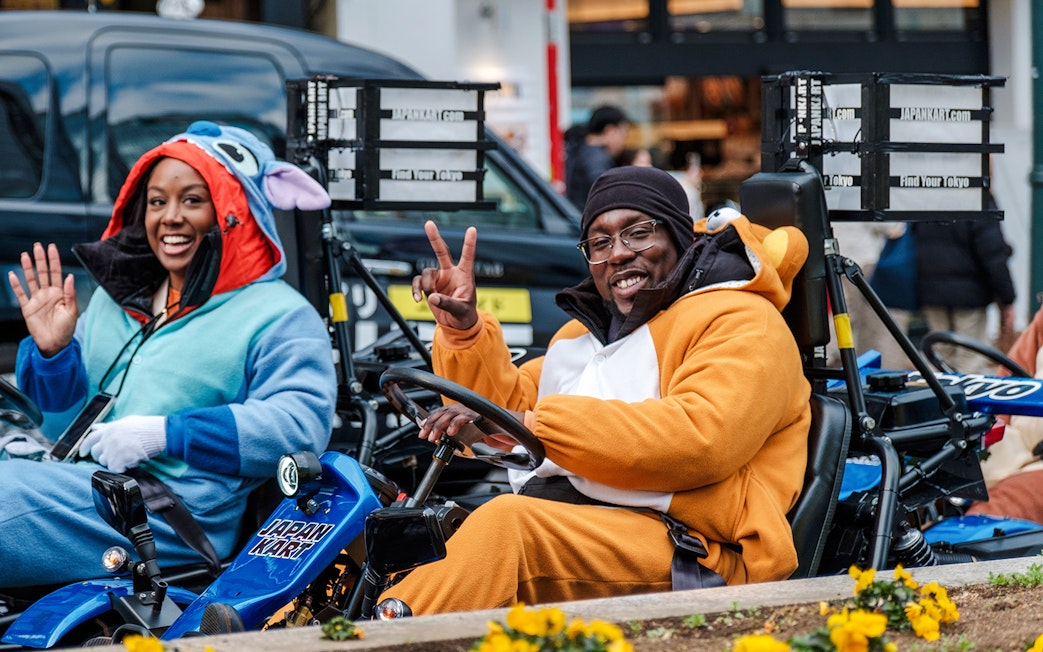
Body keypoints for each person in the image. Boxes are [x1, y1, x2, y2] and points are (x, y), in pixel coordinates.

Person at [380, 166, 812, 614]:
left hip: (697, 547)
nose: (617, 254)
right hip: (587, 521)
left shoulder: (742, 320)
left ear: (681, 237)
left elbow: (701, 440)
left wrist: (535, 426)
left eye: (638, 234)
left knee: (507, 528)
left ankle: (375, 638)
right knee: (410, 523)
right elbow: (506, 416)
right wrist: (465, 332)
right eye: (600, 243)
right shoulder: (580, 336)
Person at [1, 121, 337, 589]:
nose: (170, 217)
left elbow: (300, 428)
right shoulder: (115, 300)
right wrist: (53, 353)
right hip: (80, 482)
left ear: (232, 212)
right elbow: (59, 427)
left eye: (193, 200)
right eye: (157, 202)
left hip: (170, 514)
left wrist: (166, 435)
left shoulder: (280, 315)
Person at [964, 305, 1043, 524]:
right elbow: (1008, 381)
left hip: (1035, 461)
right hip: (1018, 442)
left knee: (998, 508)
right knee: (915, 487)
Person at [912, 211, 1016, 375]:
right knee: (970, 356)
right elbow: (992, 253)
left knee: (939, 353)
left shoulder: (928, 200)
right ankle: (966, 391)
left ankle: (938, 390)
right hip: (970, 294)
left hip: (932, 289)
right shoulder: (979, 203)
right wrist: (1007, 298)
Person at [564, 105, 630, 210]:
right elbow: (606, 194)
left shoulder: (577, 148)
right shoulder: (597, 159)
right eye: (623, 134)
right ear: (610, 131)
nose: (623, 142)